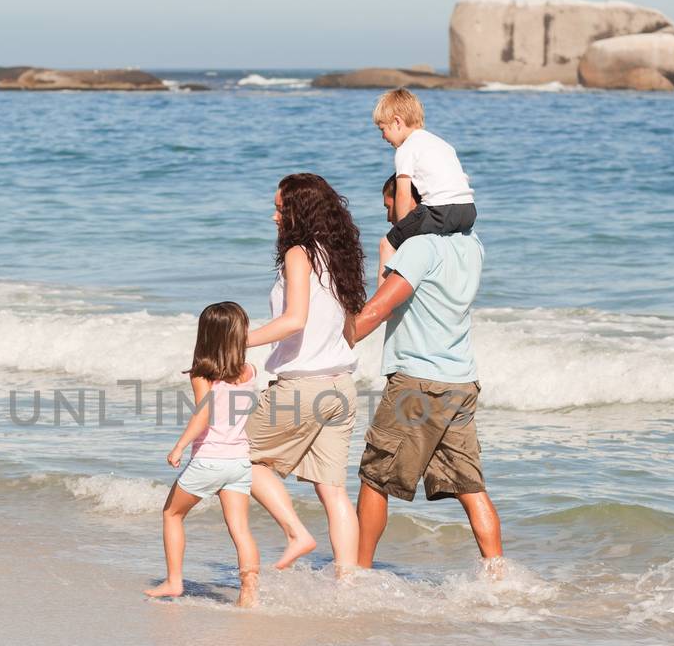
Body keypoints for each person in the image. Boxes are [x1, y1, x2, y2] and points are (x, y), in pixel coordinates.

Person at [347, 198, 504, 571]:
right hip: (461, 382)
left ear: (414, 204)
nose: (388, 214)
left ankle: (356, 573)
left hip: (418, 383)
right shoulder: (471, 244)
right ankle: (499, 575)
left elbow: (378, 308)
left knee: (375, 477)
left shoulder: (420, 248)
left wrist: (328, 343)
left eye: (391, 205)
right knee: (470, 486)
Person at [245, 173, 366, 576]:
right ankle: (348, 584)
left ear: (299, 212)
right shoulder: (340, 256)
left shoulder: (299, 254)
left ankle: (297, 533)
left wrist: (236, 342)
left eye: (281, 209)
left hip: (303, 389)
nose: (274, 216)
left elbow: (294, 321)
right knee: (334, 493)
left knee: (238, 456)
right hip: (341, 388)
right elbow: (352, 330)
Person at [145, 302, 262, 607]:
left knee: (172, 513)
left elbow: (203, 416)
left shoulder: (202, 374)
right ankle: (248, 592)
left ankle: (173, 580)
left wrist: (179, 446)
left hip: (210, 460)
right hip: (239, 462)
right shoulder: (250, 372)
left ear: (206, 336)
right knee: (240, 529)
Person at [373, 87, 476, 280]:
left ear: (397, 122)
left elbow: (402, 193)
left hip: (440, 210)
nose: (383, 137)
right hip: (469, 211)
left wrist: (401, 231)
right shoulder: (442, 144)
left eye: (383, 129)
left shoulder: (406, 149)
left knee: (386, 244)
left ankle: (382, 301)